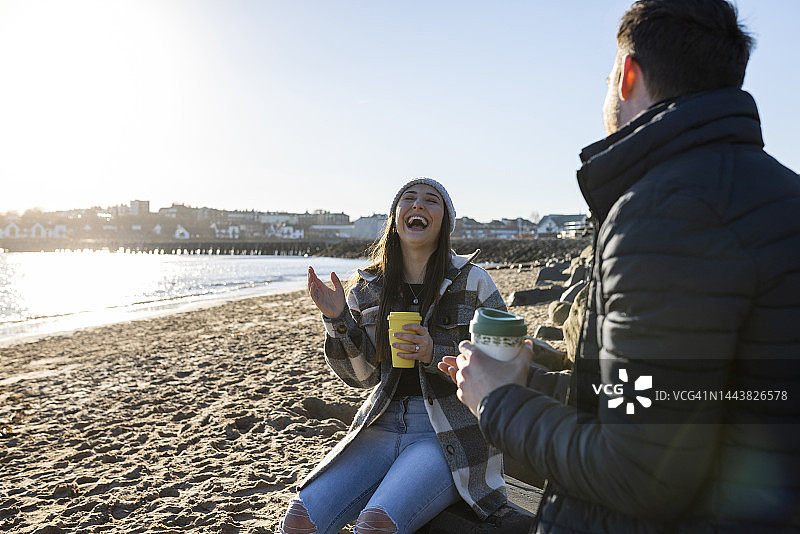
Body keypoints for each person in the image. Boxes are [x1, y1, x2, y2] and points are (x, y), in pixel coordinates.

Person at [440, 1, 800, 532]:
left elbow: (642, 473)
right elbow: (683, 401)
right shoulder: (775, 193)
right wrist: (530, 382)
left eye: (609, 75)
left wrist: (497, 402)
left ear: (627, 74)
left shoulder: (666, 211)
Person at [280, 177, 508, 534]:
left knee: (375, 526)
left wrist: (435, 353)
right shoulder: (370, 286)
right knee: (298, 521)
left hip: (448, 432)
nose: (418, 205)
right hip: (380, 424)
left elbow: (503, 366)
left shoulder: (474, 282)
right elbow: (361, 378)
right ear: (395, 217)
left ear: (445, 221)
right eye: (409, 199)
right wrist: (337, 319)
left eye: (431, 201)